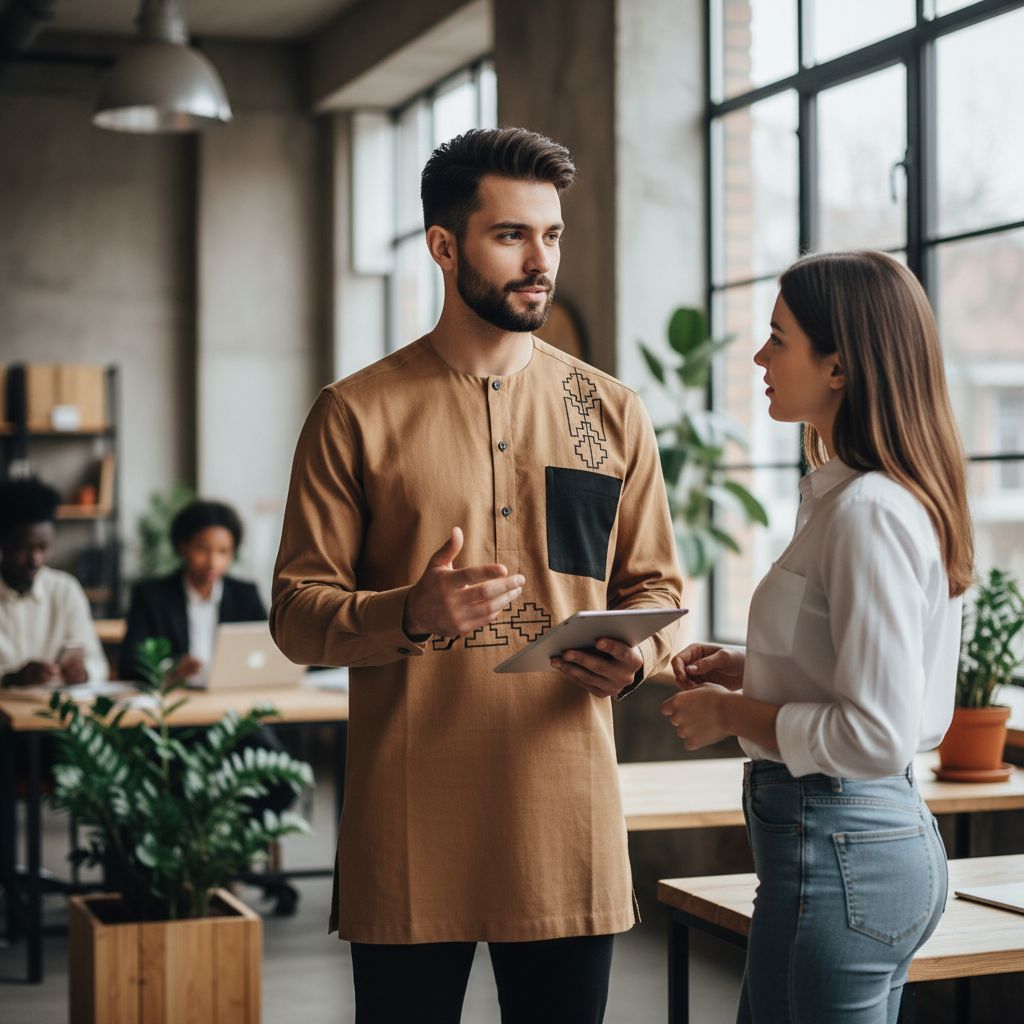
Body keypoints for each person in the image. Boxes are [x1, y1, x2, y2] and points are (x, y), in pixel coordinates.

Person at [272, 127, 682, 1023]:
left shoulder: (613, 411)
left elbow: (657, 591)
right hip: (408, 829)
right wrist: (408, 612)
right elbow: (296, 614)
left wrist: (636, 660)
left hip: (566, 825)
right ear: (444, 246)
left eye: (552, 235)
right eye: (511, 235)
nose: (542, 261)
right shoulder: (354, 413)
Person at [662, 251, 973, 1024]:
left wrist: (729, 714)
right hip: (865, 849)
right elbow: (863, 673)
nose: (759, 359)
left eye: (778, 339)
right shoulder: (865, 499)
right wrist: (751, 669)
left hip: (842, 849)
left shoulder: (868, 512)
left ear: (839, 367)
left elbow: (875, 732)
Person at [120, 499, 265, 683]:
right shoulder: (151, 597)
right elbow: (128, 663)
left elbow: (267, 651)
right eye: (202, 549)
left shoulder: (245, 595)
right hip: (177, 694)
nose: (213, 562)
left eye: (223, 551)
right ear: (183, 548)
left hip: (232, 691)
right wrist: (170, 669)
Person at [0, 477, 107, 689]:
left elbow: (98, 664)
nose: (35, 560)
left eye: (43, 548)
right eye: (24, 548)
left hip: (56, 707)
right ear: (3, 543)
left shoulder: (65, 590)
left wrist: (84, 672)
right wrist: (12, 678)